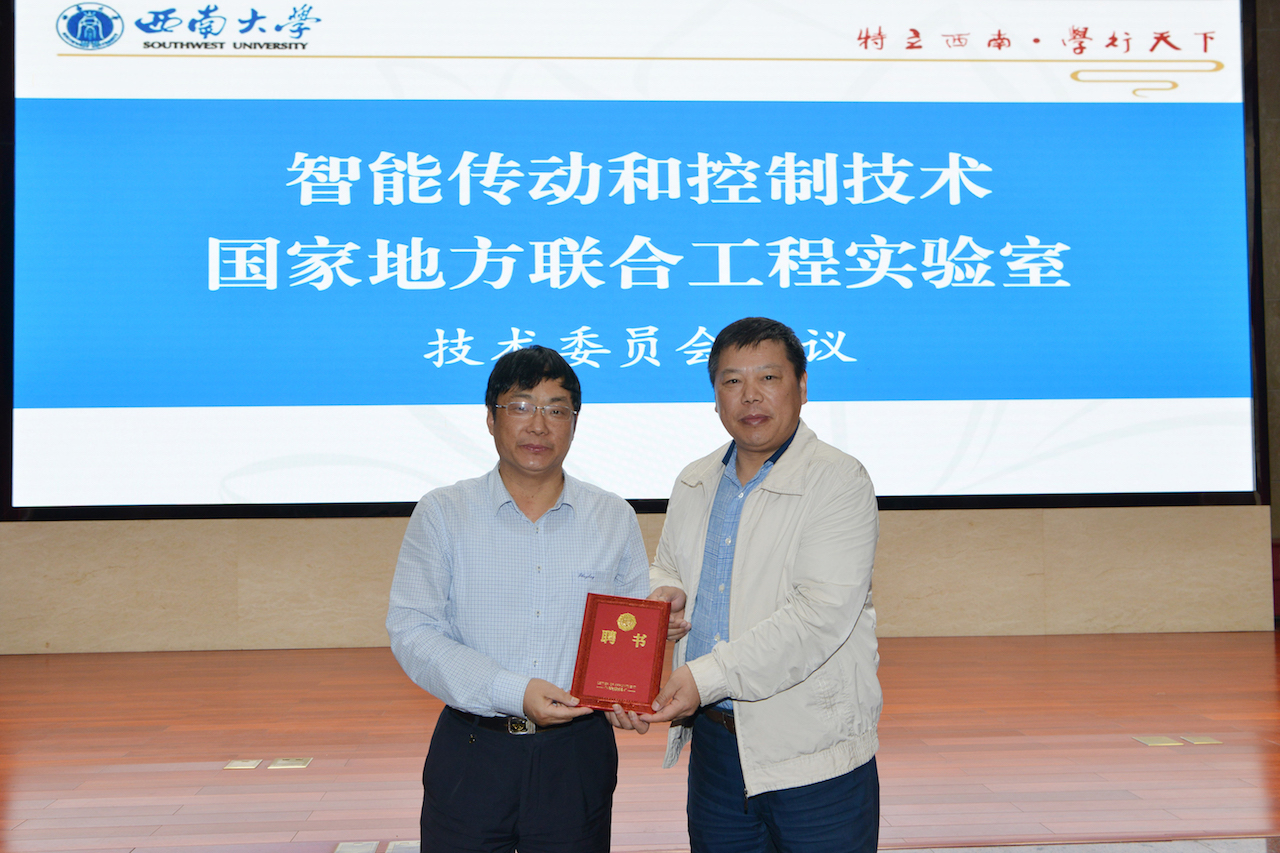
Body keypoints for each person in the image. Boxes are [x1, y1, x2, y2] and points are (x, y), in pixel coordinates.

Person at [386, 345, 649, 853]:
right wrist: (512, 690)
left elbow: (631, 629)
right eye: (521, 406)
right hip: (472, 750)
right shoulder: (443, 513)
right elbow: (413, 631)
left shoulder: (613, 516)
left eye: (556, 410)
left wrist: (631, 692)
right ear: (491, 418)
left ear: (575, 423)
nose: (539, 425)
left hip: (577, 753)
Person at [635, 317, 882, 853]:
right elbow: (668, 566)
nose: (750, 396)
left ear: (802, 386)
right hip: (716, 749)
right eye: (732, 381)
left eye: (768, 378)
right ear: (715, 396)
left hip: (813, 753)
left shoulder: (839, 480)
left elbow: (818, 615)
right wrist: (665, 594)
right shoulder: (695, 480)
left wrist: (706, 676)